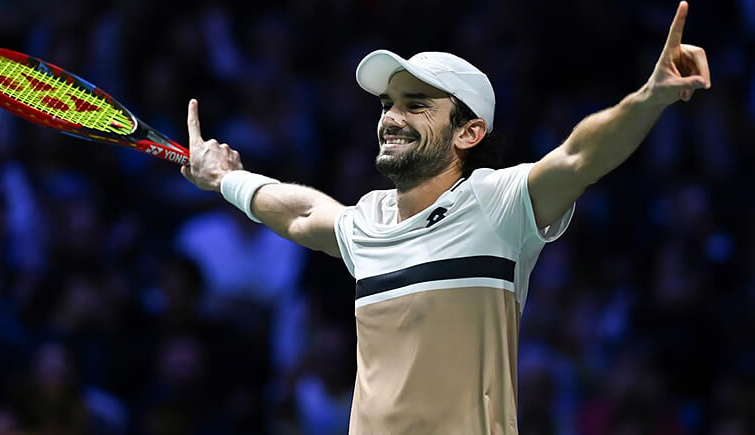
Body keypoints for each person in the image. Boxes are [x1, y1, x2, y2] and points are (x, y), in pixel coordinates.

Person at [180, 2, 710, 433]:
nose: (391, 117)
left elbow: (580, 156)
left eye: (415, 105)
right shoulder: (367, 221)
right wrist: (226, 179)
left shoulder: (497, 204)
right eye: (387, 104)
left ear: (468, 132)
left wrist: (649, 98)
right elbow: (301, 213)